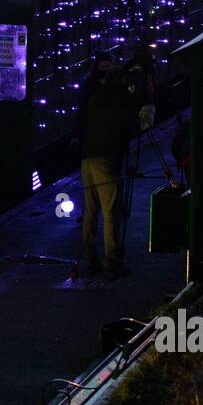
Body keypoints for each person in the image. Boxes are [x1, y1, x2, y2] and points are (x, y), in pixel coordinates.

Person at [71, 50, 153, 274]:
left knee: (91, 210)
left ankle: (89, 258)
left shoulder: (97, 96)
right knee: (111, 210)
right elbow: (136, 125)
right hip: (108, 157)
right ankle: (112, 259)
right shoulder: (120, 101)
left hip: (88, 156)